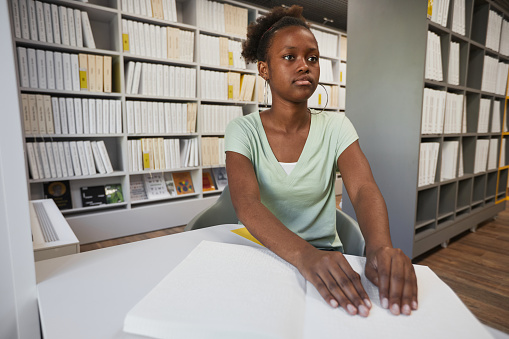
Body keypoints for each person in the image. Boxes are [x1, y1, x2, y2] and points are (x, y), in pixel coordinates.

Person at [224, 5, 417, 317]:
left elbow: (363, 188)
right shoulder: (242, 131)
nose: (304, 66)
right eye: (290, 57)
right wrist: (304, 256)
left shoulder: (337, 126)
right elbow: (246, 204)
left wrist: (380, 247)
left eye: (312, 58)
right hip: (260, 251)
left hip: (325, 253)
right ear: (264, 69)